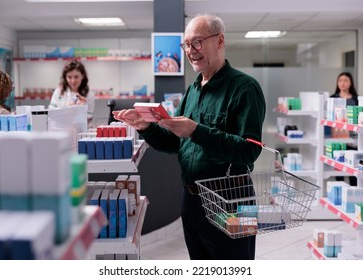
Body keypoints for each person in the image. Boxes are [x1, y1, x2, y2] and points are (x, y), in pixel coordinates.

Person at [113, 14, 266, 260]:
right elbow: (176, 143)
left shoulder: (245, 88)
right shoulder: (192, 91)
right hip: (192, 199)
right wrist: (146, 127)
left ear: (219, 40)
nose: (190, 50)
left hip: (234, 198)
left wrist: (197, 130)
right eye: (186, 44)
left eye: (197, 42)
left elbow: (250, 150)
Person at [330, 72, 358, 186]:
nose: (343, 83)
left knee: (353, 169)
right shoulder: (332, 99)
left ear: (351, 83)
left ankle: (354, 192)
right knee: (339, 169)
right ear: (337, 83)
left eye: (346, 80)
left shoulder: (357, 99)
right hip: (338, 137)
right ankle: (340, 191)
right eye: (340, 80)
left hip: (354, 139)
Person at [49, 59, 95, 124]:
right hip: (59, 130)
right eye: (69, 77)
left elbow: (88, 119)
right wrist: (67, 109)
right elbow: (51, 115)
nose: (73, 81)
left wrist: (81, 109)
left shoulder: (89, 95)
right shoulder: (59, 91)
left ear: (82, 76)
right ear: (65, 77)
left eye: (76, 77)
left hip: (79, 131)